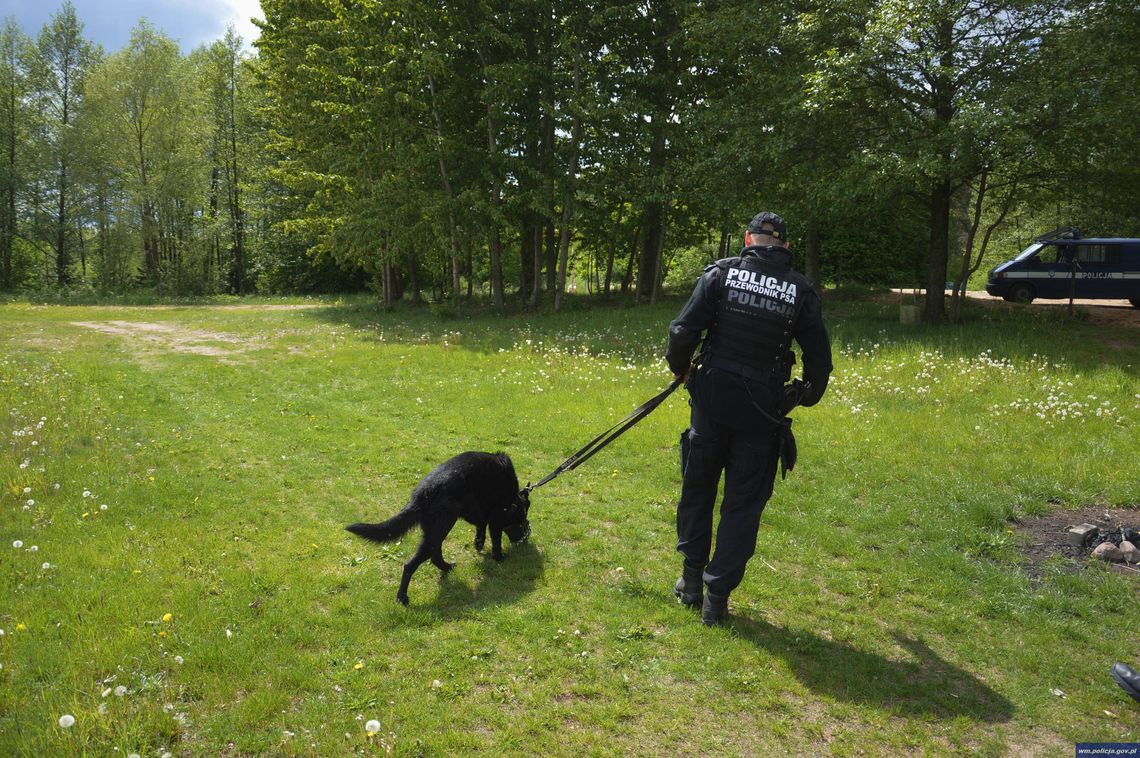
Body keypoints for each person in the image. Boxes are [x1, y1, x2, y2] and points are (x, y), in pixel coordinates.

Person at [666, 211, 833, 626]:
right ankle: (715, 599)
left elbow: (683, 331)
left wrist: (679, 367)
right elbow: (820, 361)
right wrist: (806, 395)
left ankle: (690, 583)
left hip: (711, 401)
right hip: (762, 410)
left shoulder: (721, 275)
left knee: (698, 488)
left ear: (748, 239)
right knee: (742, 504)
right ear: (786, 247)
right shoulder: (800, 290)